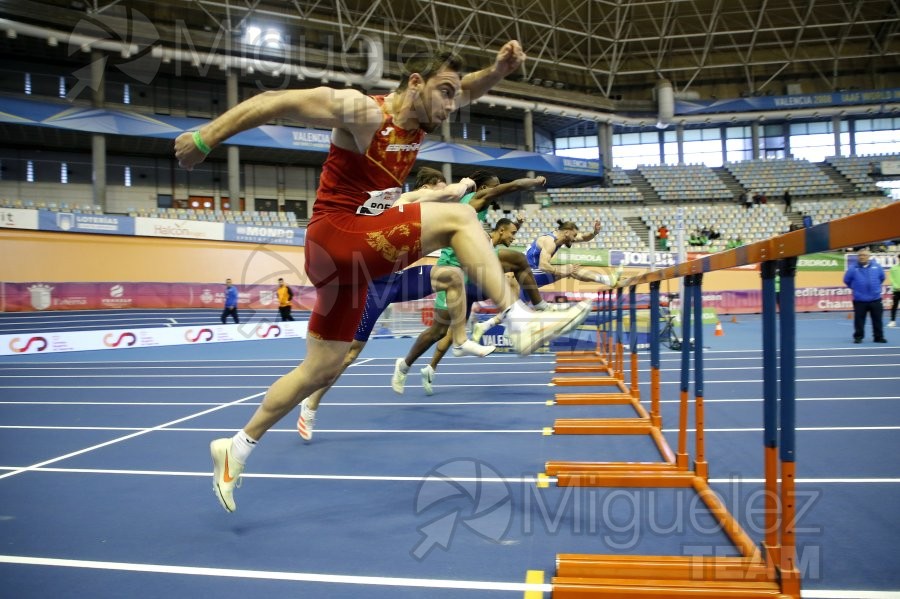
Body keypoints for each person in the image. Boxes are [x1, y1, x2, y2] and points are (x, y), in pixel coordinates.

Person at [175, 43, 591, 512]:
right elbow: (274, 101)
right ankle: (518, 319)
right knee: (458, 218)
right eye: (445, 94)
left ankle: (236, 448)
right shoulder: (362, 112)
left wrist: (496, 70)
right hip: (334, 237)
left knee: (323, 368)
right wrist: (206, 138)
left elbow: (468, 85)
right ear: (415, 83)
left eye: (456, 97)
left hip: (350, 263)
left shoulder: (425, 114)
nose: (452, 106)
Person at [295, 167, 478, 441]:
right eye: (438, 188)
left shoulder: (421, 210)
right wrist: (464, 184)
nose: (442, 196)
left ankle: (461, 339)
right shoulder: (403, 200)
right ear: (428, 186)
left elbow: (450, 202)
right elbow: (450, 193)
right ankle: (310, 404)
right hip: (372, 287)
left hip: (399, 280)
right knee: (349, 355)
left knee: (451, 276)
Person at [393, 218, 524, 396]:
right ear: (501, 230)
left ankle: (431, 368)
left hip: (466, 290)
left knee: (450, 332)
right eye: (513, 233)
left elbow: (502, 237)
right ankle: (404, 365)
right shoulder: (481, 239)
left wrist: (517, 224)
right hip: (450, 281)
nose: (515, 238)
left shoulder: (492, 245)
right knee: (438, 332)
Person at [843, 248, 886, 343]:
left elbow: (882, 278)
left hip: (875, 299)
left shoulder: (877, 267)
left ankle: (878, 337)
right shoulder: (852, 268)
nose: (862, 257)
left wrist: (875, 289)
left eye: (864, 255)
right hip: (859, 300)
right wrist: (855, 288)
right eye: (860, 255)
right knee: (859, 321)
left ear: (869, 256)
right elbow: (846, 280)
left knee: (877, 320)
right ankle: (858, 337)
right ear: (857, 257)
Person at [888, 254, 900, 328]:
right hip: (896, 290)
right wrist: (897, 286)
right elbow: (891, 279)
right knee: (894, 306)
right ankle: (892, 321)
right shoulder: (893, 268)